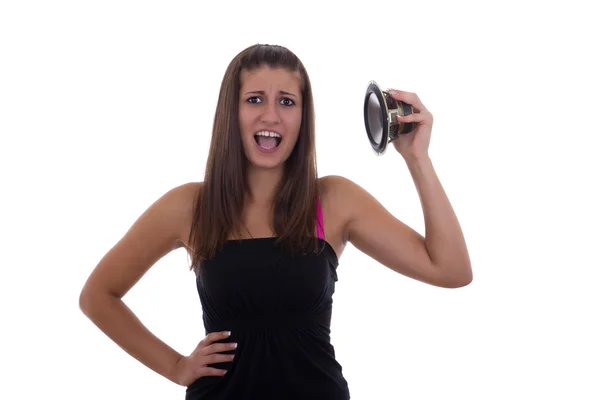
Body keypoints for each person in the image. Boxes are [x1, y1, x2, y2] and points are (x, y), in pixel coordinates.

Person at [79, 43, 472, 399]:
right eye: (254, 99)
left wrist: (417, 158)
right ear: (231, 112)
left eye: (287, 102)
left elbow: (451, 269)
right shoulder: (190, 206)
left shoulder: (334, 200)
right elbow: (98, 295)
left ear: (304, 116)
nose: (271, 115)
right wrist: (176, 367)